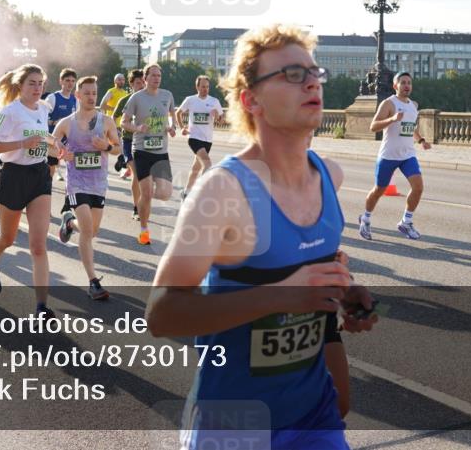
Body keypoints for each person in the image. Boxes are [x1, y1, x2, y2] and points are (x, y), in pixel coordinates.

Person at [145, 24, 374, 450]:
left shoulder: (330, 175)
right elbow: (161, 314)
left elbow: (304, 269)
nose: (312, 82)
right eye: (292, 74)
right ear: (252, 100)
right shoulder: (223, 190)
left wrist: (344, 292)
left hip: (314, 415)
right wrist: (283, 296)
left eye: (314, 72)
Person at [0, 64, 62, 318]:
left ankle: (41, 307)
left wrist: (56, 147)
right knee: (8, 238)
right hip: (13, 176)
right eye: (32, 83)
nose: (37, 88)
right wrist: (21, 144)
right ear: (20, 86)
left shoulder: (43, 109)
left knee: (38, 245)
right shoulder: (9, 112)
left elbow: (42, 140)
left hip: (39, 176)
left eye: (40, 84)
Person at [53, 75, 121, 300]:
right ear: (78, 95)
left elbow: (118, 149)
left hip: (98, 183)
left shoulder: (106, 121)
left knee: (92, 231)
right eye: (87, 93)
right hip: (76, 183)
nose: (92, 97)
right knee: (87, 229)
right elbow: (51, 143)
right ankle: (93, 282)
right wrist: (62, 152)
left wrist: (106, 146)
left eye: (94, 93)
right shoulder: (67, 122)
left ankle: (68, 223)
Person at [357, 71, 432, 240]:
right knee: (379, 190)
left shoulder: (413, 105)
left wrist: (421, 140)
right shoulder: (388, 103)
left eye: (409, 83)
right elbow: (373, 126)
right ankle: (365, 218)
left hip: (407, 155)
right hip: (388, 155)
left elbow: (410, 127)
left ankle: (406, 222)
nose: (407, 86)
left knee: (418, 187)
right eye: (403, 82)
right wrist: (391, 119)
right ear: (395, 86)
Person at [121, 63, 177, 246]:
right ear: (145, 78)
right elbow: (124, 122)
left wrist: (172, 127)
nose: (156, 78)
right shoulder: (137, 98)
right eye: (153, 75)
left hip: (161, 151)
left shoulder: (167, 95)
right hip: (142, 150)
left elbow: (173, 115)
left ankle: (144, 198)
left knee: (166, 193)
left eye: (159, 75)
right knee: (146, 192)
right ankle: (144, 231)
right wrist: (137, 128)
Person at [177, 75, 224, 200]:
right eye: (203, 87)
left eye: (207, 87)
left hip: (208, 140)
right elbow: (178, 113)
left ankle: (186, 192)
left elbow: (221, 121)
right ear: (197, 87)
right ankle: (199, 194)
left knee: (196, 168)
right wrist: (182, 127)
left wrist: (217, 116)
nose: (205, 89)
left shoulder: (214, 101)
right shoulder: (190, 100)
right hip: (194, 138)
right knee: (207, 164)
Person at [113, 70, 144, 210]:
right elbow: (114, 117)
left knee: (144, 176)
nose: (141, 85)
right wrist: (115, 132)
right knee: (136, 173)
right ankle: (137, 207)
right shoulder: (125, 100)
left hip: (144, 142)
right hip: (128, 141)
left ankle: (143, 203)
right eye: (138, 83)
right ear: (131, 84)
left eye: (143, 82)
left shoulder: (149, 100)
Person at [45, 68, 77, 182]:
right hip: (52, 140)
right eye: (67, 80)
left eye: (73, 81)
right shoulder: (53, 98)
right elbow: (41, 120)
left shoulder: (75, 100)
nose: (70, 83)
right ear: (61, 81)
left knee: (73, 167)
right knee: (49, 170)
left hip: (67, 140)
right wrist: (56, 122)